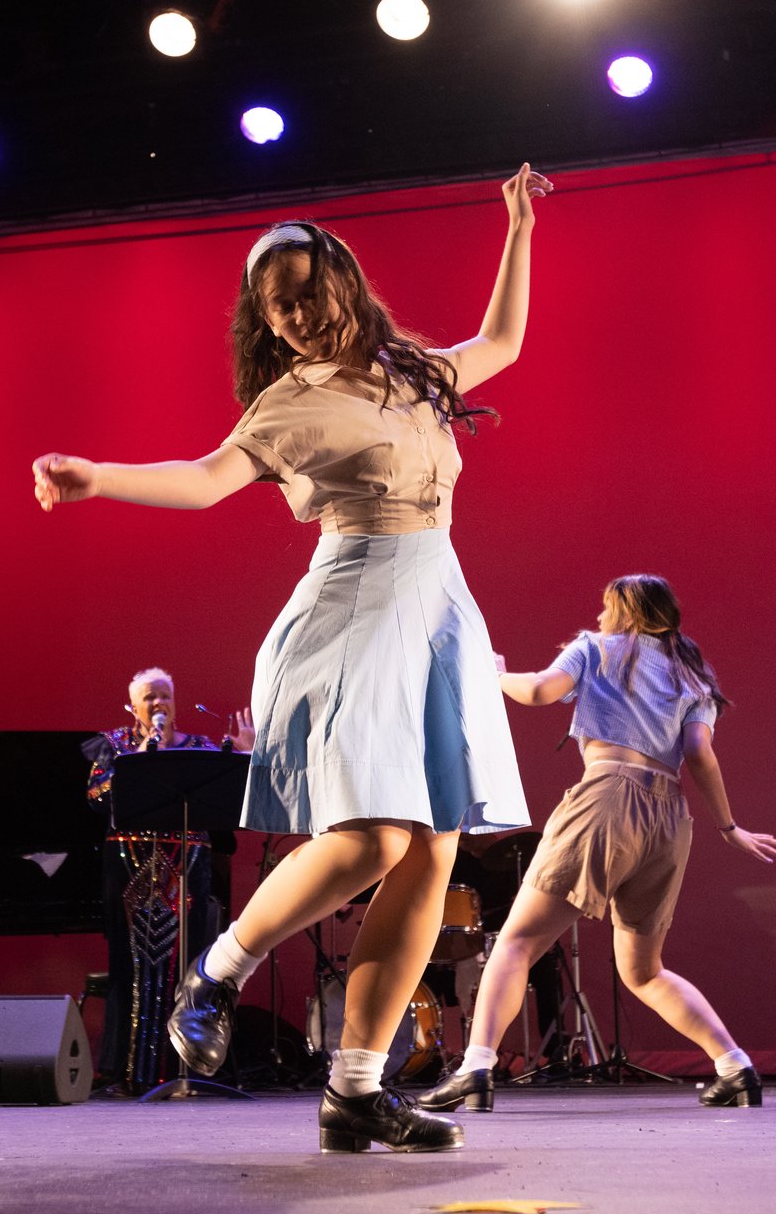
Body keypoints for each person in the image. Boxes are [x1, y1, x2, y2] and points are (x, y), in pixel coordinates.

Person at [32, 164, 548, 1153]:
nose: (301, 316)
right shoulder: (289, 403)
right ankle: (216, 969)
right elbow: (203, 476)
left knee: (433, 852)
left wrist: (517, 227)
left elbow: (505, 342)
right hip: (352, 615)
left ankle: (354, 1089)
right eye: (281, 308)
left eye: (311, 293)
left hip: (433, 612)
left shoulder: (411, 372)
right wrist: (97, 476)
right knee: (371, 840)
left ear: (344, 283)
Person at [413, 574, 776, 1114]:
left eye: (606, 607)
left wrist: (496, 676)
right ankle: (735, 1067)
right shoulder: (692, 674)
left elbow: (540, 691)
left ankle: (474, 1070)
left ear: (624, 610)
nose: (600, 616)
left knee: (516, 942)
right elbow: (699, 752)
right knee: (644, 970)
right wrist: (728, 827)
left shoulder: (595, 648)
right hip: (667, 819)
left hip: (608, 798)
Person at [85, 667, 249, 1092]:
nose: (159, 704)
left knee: (186, 964)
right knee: (130, 969)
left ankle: (187, 1070)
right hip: (128, 871)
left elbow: (234, 806)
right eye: (149, 698)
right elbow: (98, 798)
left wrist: (244, 757)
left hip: (185, 872)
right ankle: (127, 1073)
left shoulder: (200, 750)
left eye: (165, 697)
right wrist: (139, 754)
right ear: (133, 706)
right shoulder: (115, 745)